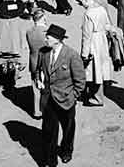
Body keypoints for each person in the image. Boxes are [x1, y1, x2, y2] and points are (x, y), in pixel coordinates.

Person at [35, 24, 86, 166]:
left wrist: (73, 96)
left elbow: (80, 80)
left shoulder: (71, 55)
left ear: (57, 39)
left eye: (48, 37)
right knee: (49, 131)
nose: (46, 39)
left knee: (68, 128)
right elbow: (39, 70)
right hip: (49, 98)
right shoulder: (44, 53)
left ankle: (66, 150)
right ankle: (50, 161)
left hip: (66, 99)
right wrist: (39, 81)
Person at [80, 0, 113, 106]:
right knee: (100, 67)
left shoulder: (88, 14)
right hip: (102, 40)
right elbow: (108, 25)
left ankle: (96, 97)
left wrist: (84, 53)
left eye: (82, 2)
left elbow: (86, 36)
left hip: (93, 42)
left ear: (86, 0)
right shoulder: (102, 9)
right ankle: (98, 94)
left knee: (93, 70)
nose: (82, 4)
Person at [26, 9, 48, 119]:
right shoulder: (46, 32)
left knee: (35, 87)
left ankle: (37, 111)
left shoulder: (29, 32)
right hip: (45, 61)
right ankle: (45, 109)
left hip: (33, 60)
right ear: (43, 18)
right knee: (46, 86)